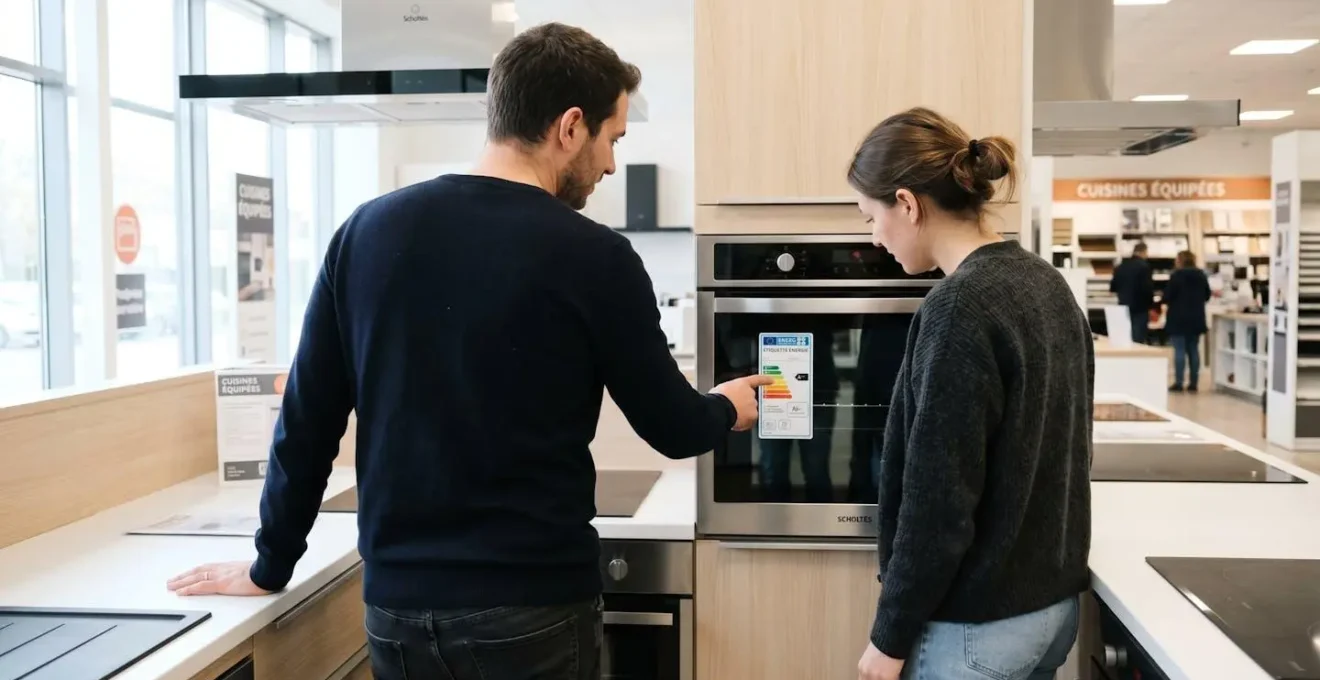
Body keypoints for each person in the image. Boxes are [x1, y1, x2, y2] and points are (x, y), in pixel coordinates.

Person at [165, 22, 771, 680]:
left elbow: (307, 418)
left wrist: (270, 564)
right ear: (571, 127)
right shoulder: (596, 256)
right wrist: (727, 406)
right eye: (612, 140)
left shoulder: (364, 233)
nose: (610, 166)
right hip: (531, 610)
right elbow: (672, 427)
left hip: (396, 614)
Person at [848, 107, 1093, 680]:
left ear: (907, 204)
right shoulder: (1046, 282)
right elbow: (1073, 451)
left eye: (871, 217)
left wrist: (889, 637)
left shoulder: (959, 306)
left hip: (977, 629)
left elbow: (938, 498)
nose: (874, 237)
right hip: (1049, 609)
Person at [1163, 250, 1211, 392]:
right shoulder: (1201, 275)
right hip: (1196, 317)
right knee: (1193, 350)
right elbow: (1207, 295)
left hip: (1178, 317)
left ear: (1180, 261)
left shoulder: (1176, 276)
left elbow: (1167, 296)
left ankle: (1179, 382)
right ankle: (1193, 383)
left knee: (1179, 350)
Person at [1111, 242, 1155, 344]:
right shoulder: (1144, 267)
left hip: (1123, 306)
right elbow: (1147, 289)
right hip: (1140, 308)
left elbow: (1113, 287)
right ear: (1144, 252)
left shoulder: (1121, 267)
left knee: (1124, 340)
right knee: (1138, 340)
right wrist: (1151, 306)